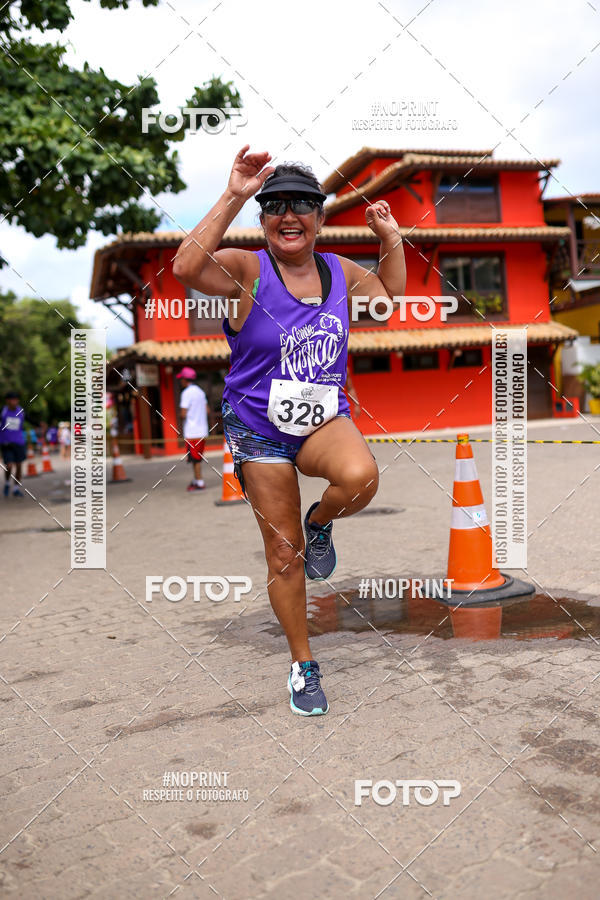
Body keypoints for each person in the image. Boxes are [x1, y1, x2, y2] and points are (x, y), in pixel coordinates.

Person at [173, 145, 406, 716]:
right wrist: (234, 193)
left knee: (361, 477)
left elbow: (390, 299)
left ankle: (320, 521)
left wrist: (389, 239)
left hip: (322, 419)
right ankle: (303, 665)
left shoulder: (339, 273)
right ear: (264, 217)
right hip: (258, 430)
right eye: (275, 204)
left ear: (320, 219)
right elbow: (185, 269)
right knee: (284, 556)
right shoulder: (247, 269)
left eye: (303, 204)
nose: (288, 214)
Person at [177, 367, 209, 492]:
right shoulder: (200, 392)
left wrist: (181, 416)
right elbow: (207, 410)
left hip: (192, 431)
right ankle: (196, 480)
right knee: (196, 457)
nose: (181, 382)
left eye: (181, 379)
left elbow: (183, 413)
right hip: (202, 430)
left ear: (185, 380)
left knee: (195, 459)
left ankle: (200, 482)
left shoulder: (186, 393)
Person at [1, 390, 27, 498]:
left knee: (19, 465)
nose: (15, 401)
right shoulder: (3, 411)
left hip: (19, 442)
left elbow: (29, 419)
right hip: (6, 443)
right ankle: (7, 483)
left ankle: (16, 489)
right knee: (9, 465)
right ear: (7, 401)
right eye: (12, 399)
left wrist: (39, 424)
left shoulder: (21, 411)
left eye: (16, 399)